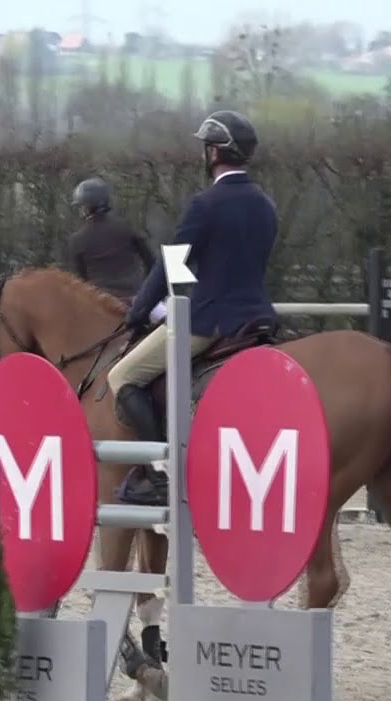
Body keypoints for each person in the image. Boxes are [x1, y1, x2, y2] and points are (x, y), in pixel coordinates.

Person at [107, 110, 279, 506]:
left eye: (206, 147)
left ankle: (159, 473)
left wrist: (138, 312)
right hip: (258, 317)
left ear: (216, 152)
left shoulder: (206, 204)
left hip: (210, 322)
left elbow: (172, 263)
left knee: (123, 376)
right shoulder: (265, 204)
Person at [67, 177, 157, 303]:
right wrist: (147, 292)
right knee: (172, 320)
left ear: (86, 208)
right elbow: (151, 261)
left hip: (100, 303)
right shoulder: (126, 227)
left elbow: (80, 281)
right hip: (135, 298)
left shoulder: (77, 240)